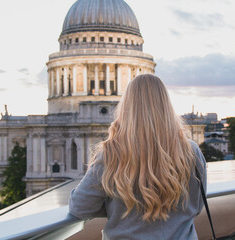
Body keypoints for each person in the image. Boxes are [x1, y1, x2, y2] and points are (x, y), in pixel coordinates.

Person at [69, 74, 207, 240]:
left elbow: (79, 207)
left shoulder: (111, 153)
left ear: (127, 106)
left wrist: (115, 205)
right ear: (166, 104)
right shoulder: (191, 150)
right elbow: (197, 205)